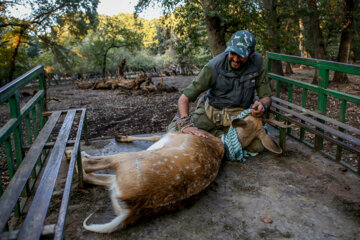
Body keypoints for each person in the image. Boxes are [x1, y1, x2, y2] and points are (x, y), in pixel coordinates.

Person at [167, 30, 272, 153]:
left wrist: (262, 105)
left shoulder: (257, 63)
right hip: (210, 114)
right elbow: (184, 98)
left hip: (236, 119)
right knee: (173, 134)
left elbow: (266, 97)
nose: (236, 59)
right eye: (233, 53)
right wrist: (186, 124)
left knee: (258, 146)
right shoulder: (214, 66)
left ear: (251, 54)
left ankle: (216, 137)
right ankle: (221, 139)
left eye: (241, 56)